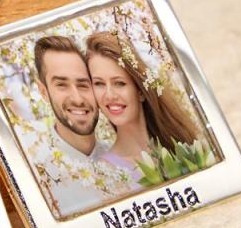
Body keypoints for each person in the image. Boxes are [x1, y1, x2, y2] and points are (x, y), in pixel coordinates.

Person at [84, 30, 199, 188]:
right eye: (99, 83)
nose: (109, 95)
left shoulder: (183, 146)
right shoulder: (106, 174)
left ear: (140, 91)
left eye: (119, 83)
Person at [31, 35, 115, 217]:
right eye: (62, 85)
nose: (77, 99)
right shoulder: (37, 174)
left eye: (83, 85)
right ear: (44, 92)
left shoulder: (124, 159)